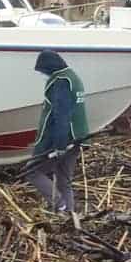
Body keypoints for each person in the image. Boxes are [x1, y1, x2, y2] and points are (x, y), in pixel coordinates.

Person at [26, 50, 89, 213]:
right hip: (77, 138)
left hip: (62, 139)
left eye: (42, 71)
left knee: (32, 171)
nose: (43, 74)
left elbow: (61, 116)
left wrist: (59, 145)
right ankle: (69, 213)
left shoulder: (60, 81)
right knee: (64, 179)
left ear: (49, 67)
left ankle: (59, 203)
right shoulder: (72, 77)